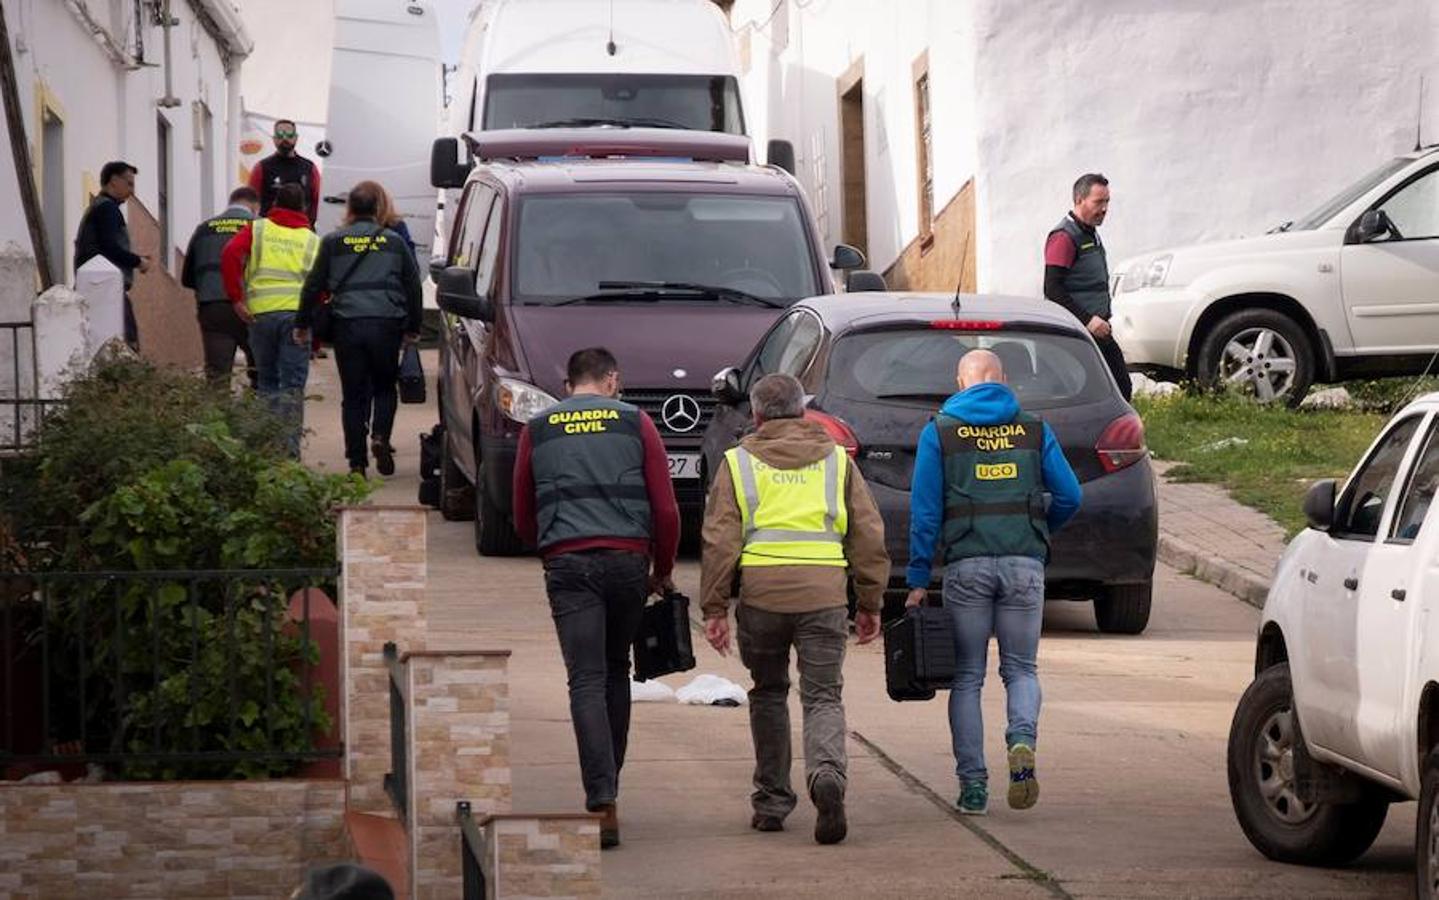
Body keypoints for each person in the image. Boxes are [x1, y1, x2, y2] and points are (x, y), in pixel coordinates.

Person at [700, 373, 890, 846]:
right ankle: (827, 775)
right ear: (804, 412)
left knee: (767, 693)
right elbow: (868, 535)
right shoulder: (836, 462)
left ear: (758, 415)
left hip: (762, 599)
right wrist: (870, 602)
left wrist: (715, 607)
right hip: (824, 596)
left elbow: (719, 540)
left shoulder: (738, 463)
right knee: (822, 696)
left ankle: (771, 802)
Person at [511, 347, 680, 850]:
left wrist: (546, 548)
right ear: (612, 380)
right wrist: (662, 569)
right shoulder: (636, 423)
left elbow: (521, 506)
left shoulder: (538, 427)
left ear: (569, 385)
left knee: (584, 677)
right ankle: (610, 788)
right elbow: (665, 508)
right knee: (613, 671)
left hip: (568, 563)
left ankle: (601, 796)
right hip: (628, 563)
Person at [905, 349, 1082, 817]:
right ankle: (1021, 740)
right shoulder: (1033, 428)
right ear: (1003, 380)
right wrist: (1039, 530)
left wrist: (919, 577)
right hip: (1025, 565)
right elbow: (1070, 495)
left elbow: (925, 512)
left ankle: (974, 788)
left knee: (967, 678)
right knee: (1021, 669)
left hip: (967, 566)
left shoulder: (939, 431)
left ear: (961, 382)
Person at [295, 181, 423, 476]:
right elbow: (413, 286)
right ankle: (380, 437)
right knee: (384, 387)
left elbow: (313, 285)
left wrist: (302, 323)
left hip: (348, 326)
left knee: (353, 395)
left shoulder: (333, 241)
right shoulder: (393, 241)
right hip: (386, 324)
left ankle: (357, 463)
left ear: (350, 209)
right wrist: (413, 327)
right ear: (378, 208)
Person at [221, 182, 319, 457]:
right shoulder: (311, 240)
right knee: (292, 387)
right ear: (303, 207)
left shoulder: (259, 228)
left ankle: (268, 450)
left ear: (275, 203)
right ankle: (288, 455)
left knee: (267, 382)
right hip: (296, 320)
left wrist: (236, 299)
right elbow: (321, 284)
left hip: (260, 316)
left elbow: (230, 254)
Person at [1044, 173, 1131, 400]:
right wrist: (1088, 320)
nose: (1104, 209)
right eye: (1098, 202)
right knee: (1113, 388)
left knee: (1117, 387)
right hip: (1078, 330)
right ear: (1079, 200)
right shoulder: (1064, 237)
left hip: (1098, 328)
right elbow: (1052, 289)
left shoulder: (1090, 232)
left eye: (1107, 202)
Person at [182, 186, 260, 387]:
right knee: (261, 374)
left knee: (217, 378)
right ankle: (257, 416)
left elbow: (187, 277)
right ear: (254, 206)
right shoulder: (260, 228)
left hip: (212, 307)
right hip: (251, 309)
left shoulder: (204, 228)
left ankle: (216, 417)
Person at [73, 160, 151, 348]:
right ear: (114, 181)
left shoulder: (98, 207)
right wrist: (138, 261)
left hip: (94, 283)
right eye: (129, 183)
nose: (132, 191)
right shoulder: (107, 209)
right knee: (128, 342)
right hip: (106, 286)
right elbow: (110, 247)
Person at [249, 118, 322, 225]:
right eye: (280, 135)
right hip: (270, 230)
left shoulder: (309, 168)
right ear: (274, 139)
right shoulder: (262, 167)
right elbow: (251, 200)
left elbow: (317, 201)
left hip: (301, 229)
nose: (284, 139)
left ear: (296, 138)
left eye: (289, 135)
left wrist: (310, 223)